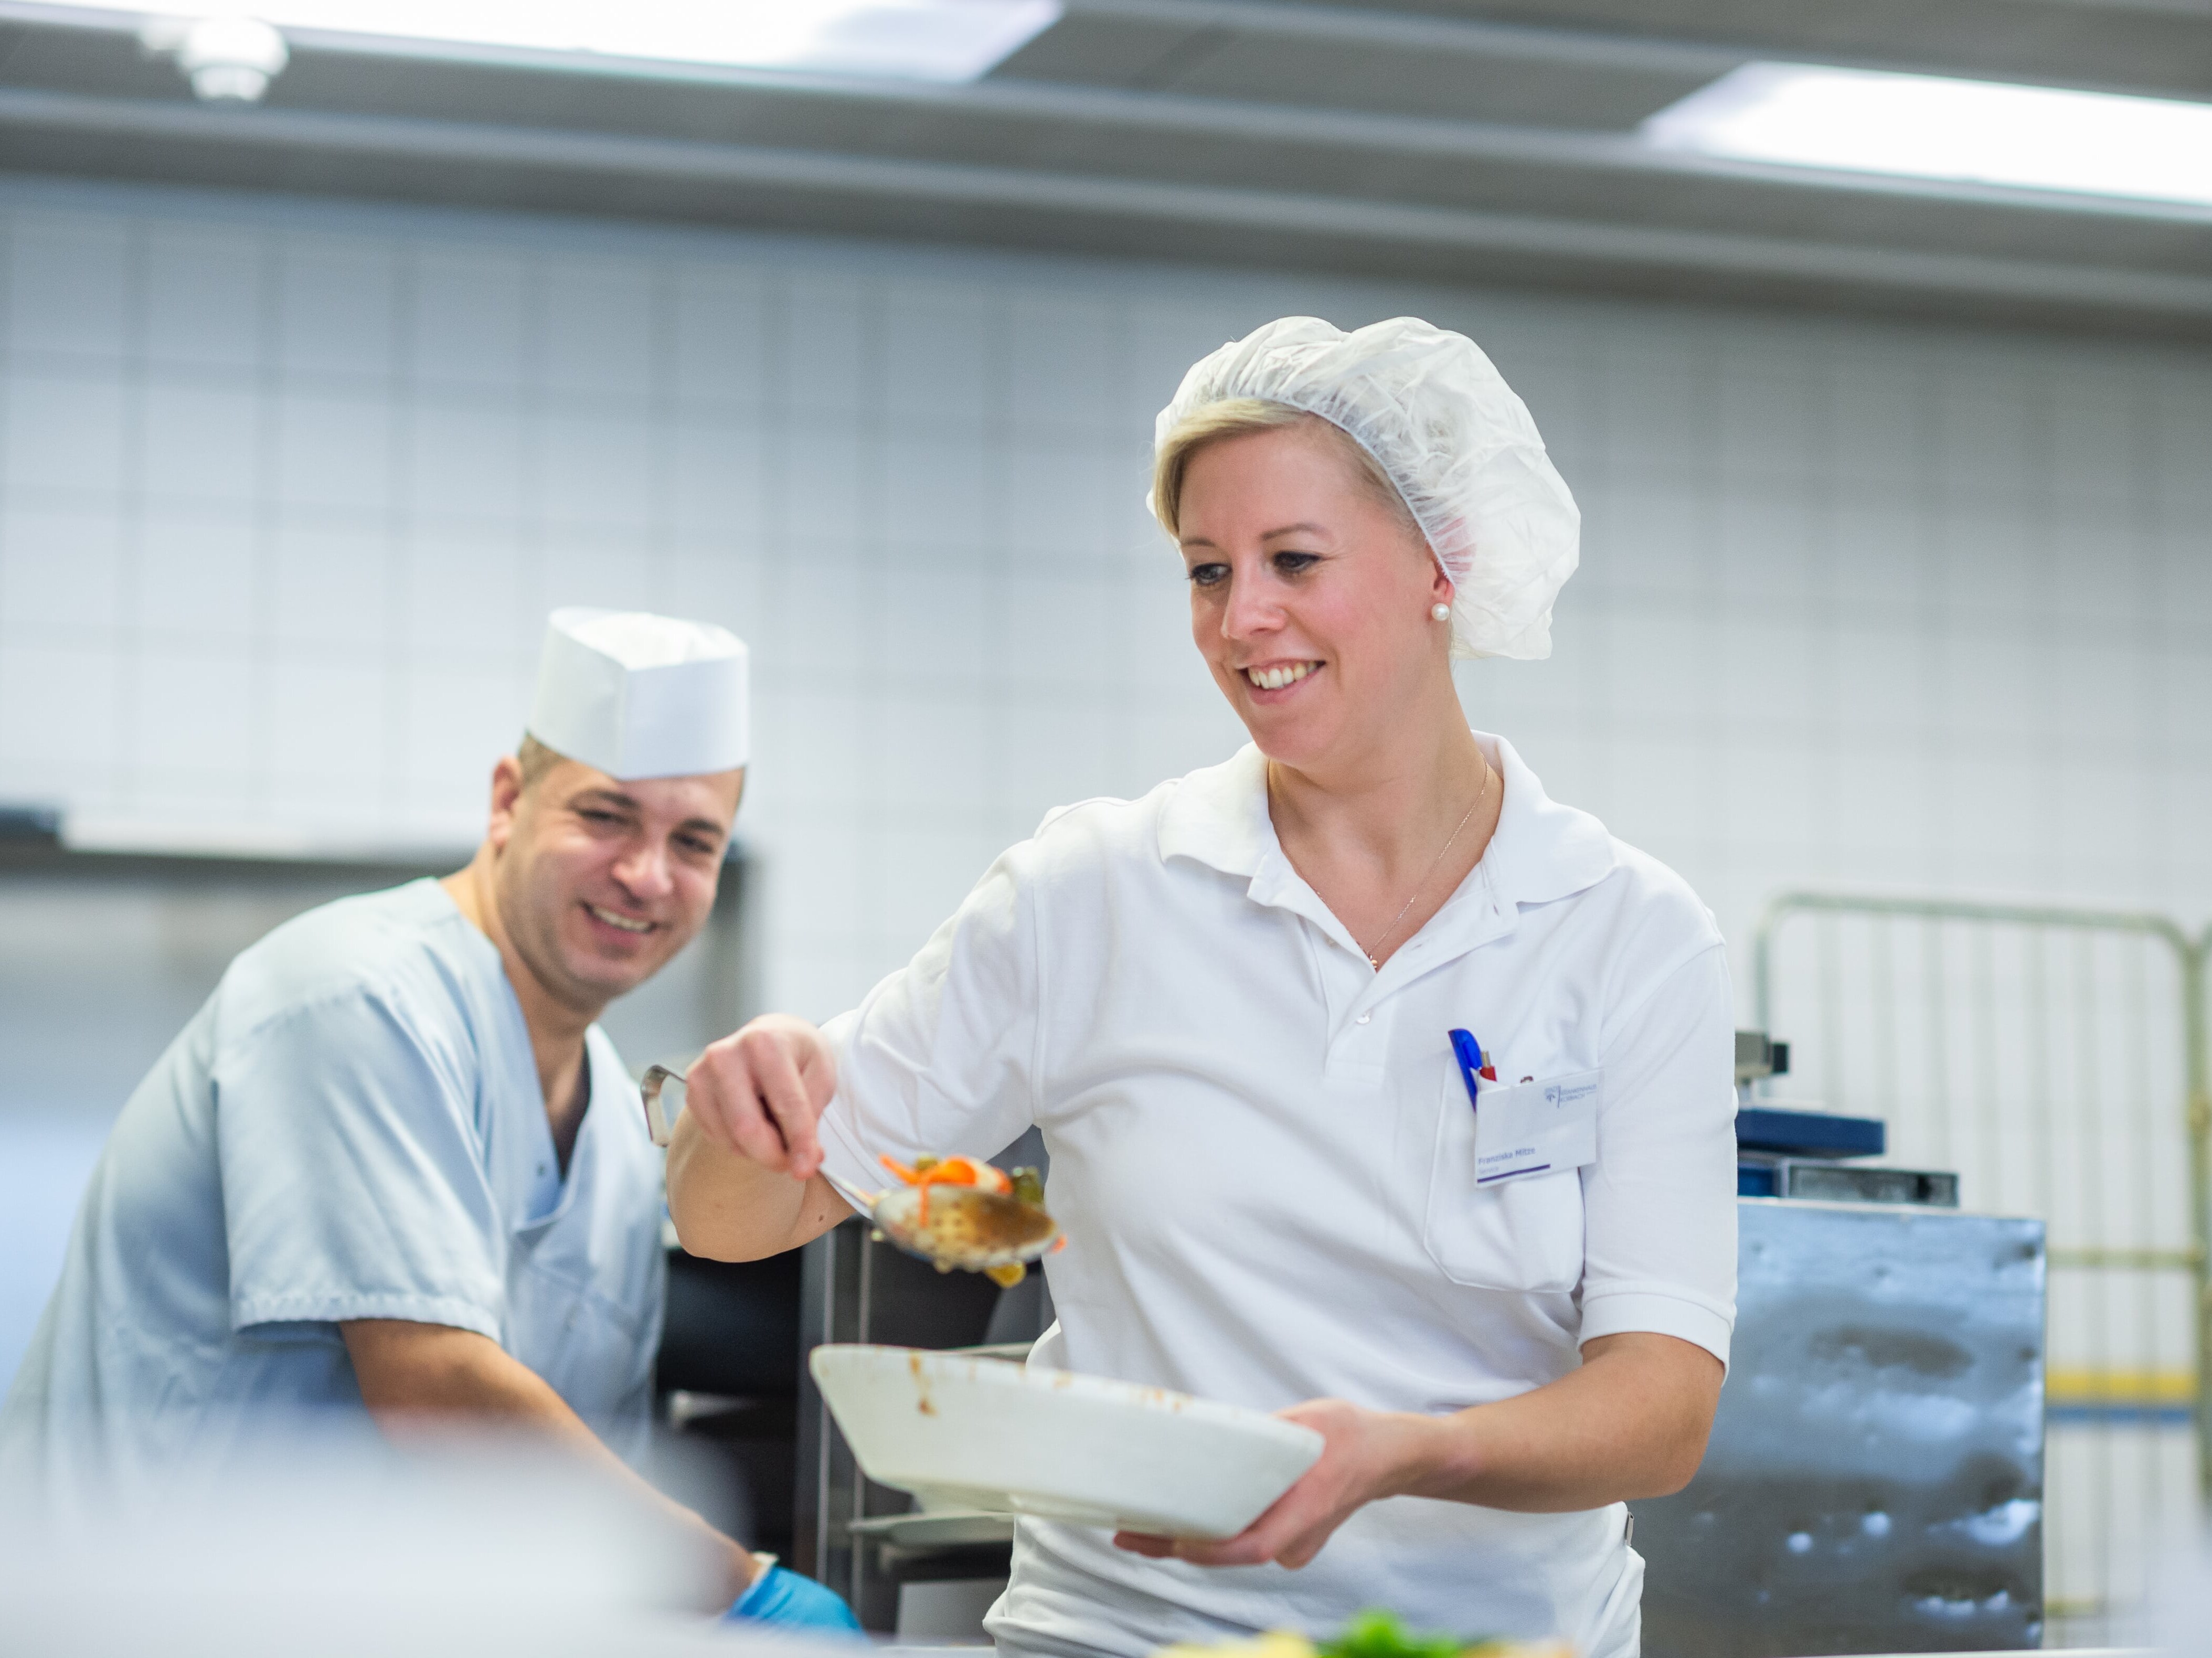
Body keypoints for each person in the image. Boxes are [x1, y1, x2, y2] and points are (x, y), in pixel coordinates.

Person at [664, 317, 1736, 1658]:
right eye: (1205, 570)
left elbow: (1660, 1404)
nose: (1242, 622)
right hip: (1122, 1635)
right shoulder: (1093, 891)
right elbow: (740, 1218)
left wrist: (1399, 1452)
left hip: (1495, 1641)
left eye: (1293, 560)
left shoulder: (1622, 931)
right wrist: (740, 1110)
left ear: (1441, 564)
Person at [0, 606, 855, 1633]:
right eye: (605, 816)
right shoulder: (356, 995)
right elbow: (434, 1384)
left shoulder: (618, 1136)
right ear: (507, 800)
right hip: (144, 1623)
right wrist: (742, 1589)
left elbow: (563, 1488)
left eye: (694, 840)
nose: (646, 874)